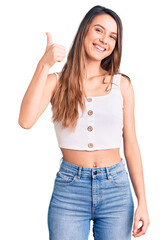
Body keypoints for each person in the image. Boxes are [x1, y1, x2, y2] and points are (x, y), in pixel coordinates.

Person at [18, 5, 150, 240]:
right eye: (99, 30)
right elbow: (26, 121)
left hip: (117, 191)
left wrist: (143, 202)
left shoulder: (122, 85)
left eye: (112, 36)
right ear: (84, 32)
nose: (104, 40)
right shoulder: (56, 82)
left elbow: (131, 145)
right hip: (69, 190)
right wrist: (44, 64)